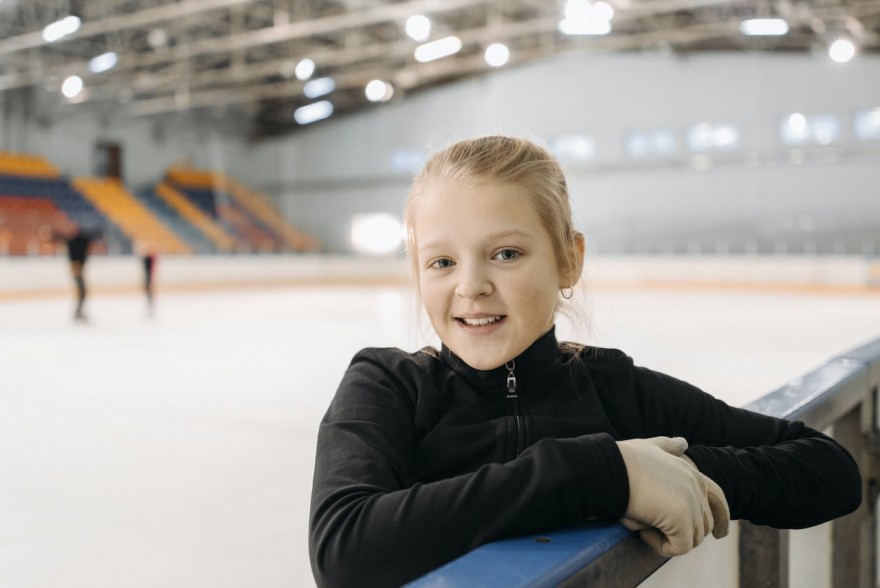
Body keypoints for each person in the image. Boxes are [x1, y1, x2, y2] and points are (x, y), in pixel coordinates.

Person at [308, 136, 861, 588]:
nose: (471, 286)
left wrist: (679, 475)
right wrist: (607, 476)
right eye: (443, 261)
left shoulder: (618, 391)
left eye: (506, 254)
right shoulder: (387, 387)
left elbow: (828, 470)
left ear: (569, 259)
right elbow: (345, 554)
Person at [43, 221, 102, 322]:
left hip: (77, 268)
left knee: (82, 291)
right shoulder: (76, 240)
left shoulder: (78, 240)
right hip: (76, 268)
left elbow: (61, 237)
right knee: (82, 291)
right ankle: (78, 312)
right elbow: (60, 237)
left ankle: (79, 311)